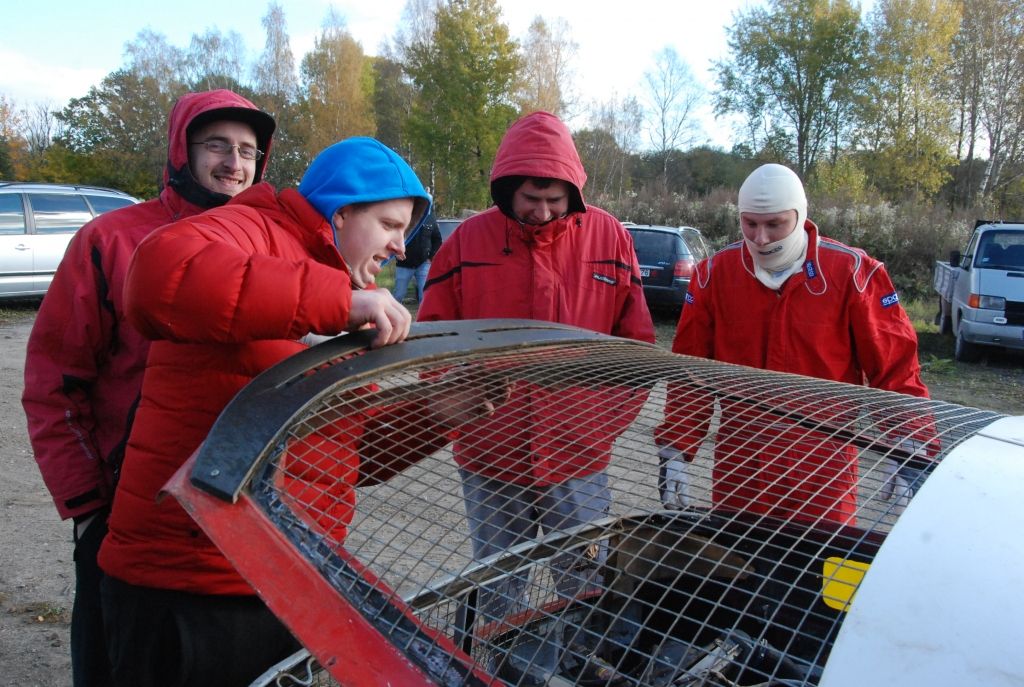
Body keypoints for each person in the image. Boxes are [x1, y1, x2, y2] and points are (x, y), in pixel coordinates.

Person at [96, 137, 433, 687]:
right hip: (191, 583)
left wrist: (437, 414)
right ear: (342, 211)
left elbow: (348, 457)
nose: (401, 247)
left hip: (292, 581)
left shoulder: (353, 290)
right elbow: (159, 274)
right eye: (392, 225)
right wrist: (338, 302)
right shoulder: (253, 228)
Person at [21, 88, 275, 687]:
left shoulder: (271, 245)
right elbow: (54, 382)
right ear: (180, 150)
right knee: (117, 661)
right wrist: (88, 504)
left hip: (236, 511)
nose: (233, 163)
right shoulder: (111, 240)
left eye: (247, 150)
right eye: (216, 145)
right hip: (125, 506)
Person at [417, 111, 655, 658]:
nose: (543, 212)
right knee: (499, 581)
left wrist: (601, 425)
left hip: (579, 456)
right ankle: (494, 666)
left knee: (585, 581)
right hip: (489, 454)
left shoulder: (609, 236)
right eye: (531, 198)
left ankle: (587, 666)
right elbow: (430, 340)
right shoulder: (466, 242)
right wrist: (456, 407)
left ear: (573, 189)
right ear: (506, 190)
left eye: (555, 199)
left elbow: (637, 347)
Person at [654, 163, 932, 525]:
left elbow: (894, 365)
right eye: (750, 224)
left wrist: (910, 445)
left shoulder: (852, 273)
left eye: (775, 224)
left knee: (816, 573)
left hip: (822, 471)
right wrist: (676, 448)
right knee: (740, 572)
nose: (761, 238)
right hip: (741, 467)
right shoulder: (713, 276)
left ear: (800, 216)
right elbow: (693, 375)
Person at [392, 211, 441, 303]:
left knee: (424, 296)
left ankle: (424, 317)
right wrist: (396, 252)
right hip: (404, 264)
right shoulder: (403, 215)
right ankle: (392, 316)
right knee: (399, 294)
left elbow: (437, 239)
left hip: (424, 264)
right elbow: (392, 237)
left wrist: (431, 257)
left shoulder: (430, 217)